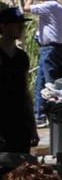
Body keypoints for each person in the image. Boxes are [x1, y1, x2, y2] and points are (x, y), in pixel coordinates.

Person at [24, 0, 62, 126]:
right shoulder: (60, 7)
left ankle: (56, 115)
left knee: (50, 83)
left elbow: (26, 8)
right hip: (55, 47)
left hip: (49, 48)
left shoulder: (49, 6)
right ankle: (40, 115)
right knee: (42, 83)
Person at [0, 8, 35, 157]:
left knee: (20, 173)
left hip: (21, 121)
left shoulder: (22, 57)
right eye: (16, 24)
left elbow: (26, 92)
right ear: (3, 26)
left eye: (23, 24)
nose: (21, 28)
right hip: (2, 119)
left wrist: (33, 128)